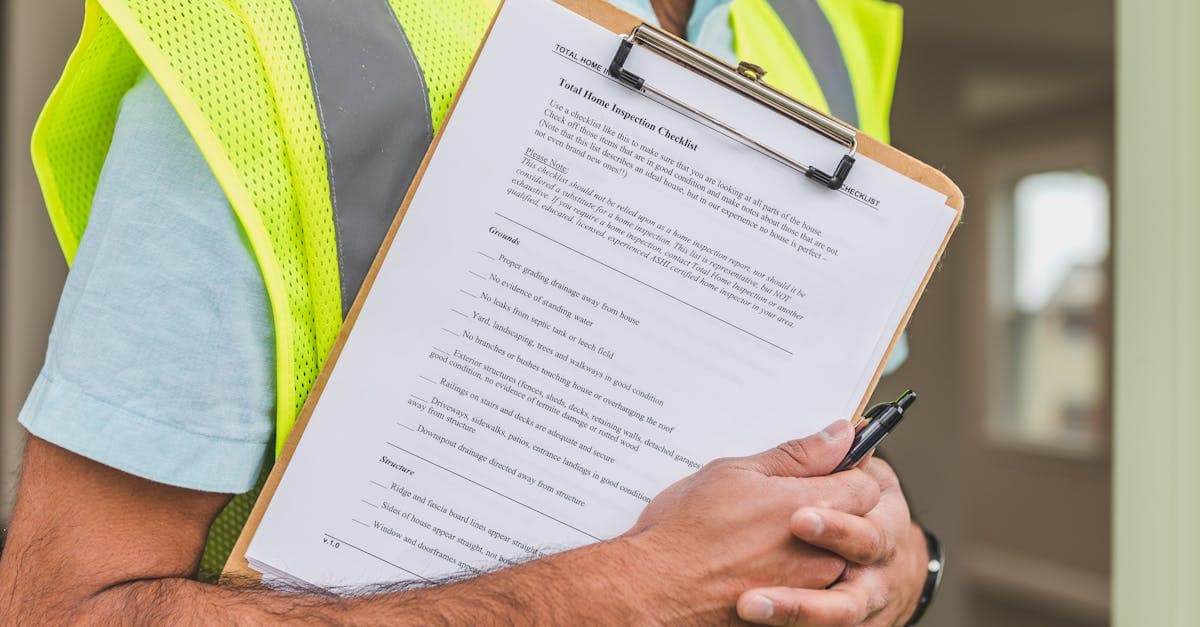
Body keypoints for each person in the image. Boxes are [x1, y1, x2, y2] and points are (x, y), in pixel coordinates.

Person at [0, 0, 936, 623]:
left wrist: (898, 570)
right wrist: (622, 594)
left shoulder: (829, 28)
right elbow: (69, 608)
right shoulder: (270, 36)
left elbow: (822, 455)